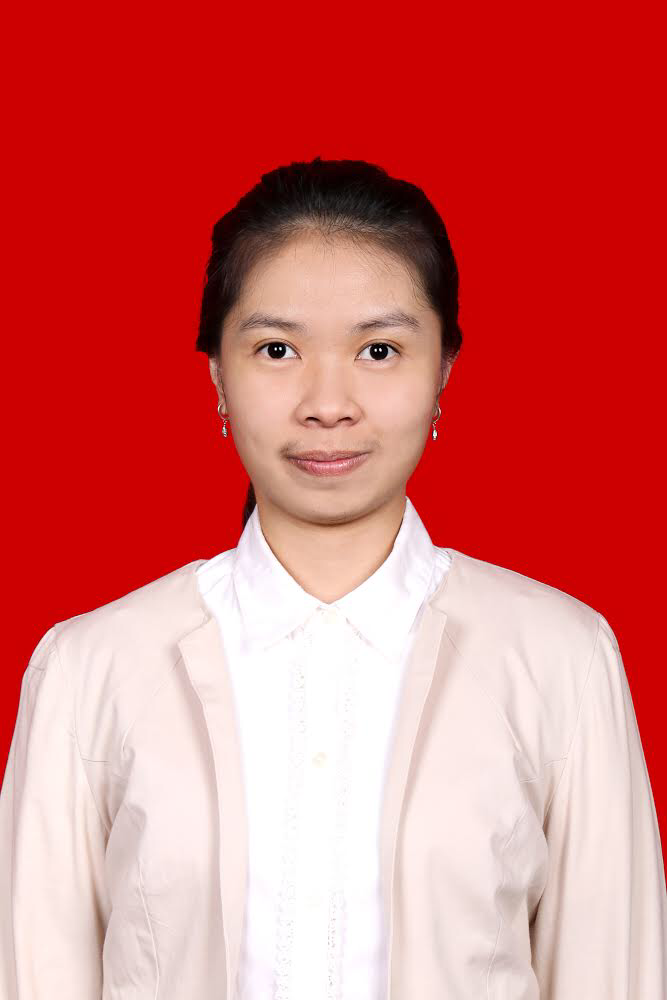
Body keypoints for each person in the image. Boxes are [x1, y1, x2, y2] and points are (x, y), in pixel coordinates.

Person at [1, 157, 665, 999]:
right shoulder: (89, 667)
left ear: (443, 370)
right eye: (276, 349)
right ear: (216, 374)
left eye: (378, 350)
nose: (327, 403)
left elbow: (611, 974)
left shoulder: (560, 656)